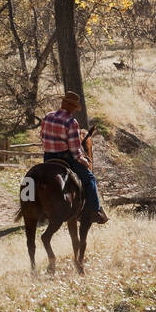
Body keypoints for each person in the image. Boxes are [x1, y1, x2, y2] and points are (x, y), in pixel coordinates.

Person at [41, 90, 109, 224]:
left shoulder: (48, 116)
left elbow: (42, 136)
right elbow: (75, 149)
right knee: (89, 178)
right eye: (74, 107)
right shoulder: (71, 122)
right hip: (66, 157)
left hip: (48, 157)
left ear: (62, 103)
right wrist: (83, 159)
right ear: (72, 107)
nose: (74, 110)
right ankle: (95, 211)